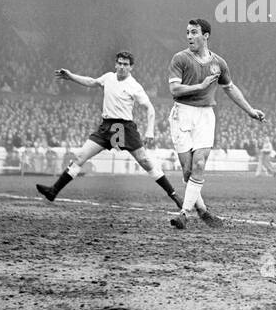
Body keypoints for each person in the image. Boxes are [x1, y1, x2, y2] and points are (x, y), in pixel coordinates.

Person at [34, 52, 182, 209]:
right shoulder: (108, 77)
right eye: (120, 63)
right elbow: (91, 82)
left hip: (125, 128)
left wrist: (149, 131)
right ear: (116, 64)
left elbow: (150, 108)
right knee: (80, 157)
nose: (122, 67)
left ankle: (174, 195)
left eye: (126, 64)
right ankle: (53, 191)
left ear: (131, 67)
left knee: (145, 161)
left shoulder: (134, 86)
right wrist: (70, 76)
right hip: (106, 127)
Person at [167, 18, 265, 228]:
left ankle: (184, 213)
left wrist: (250, 111)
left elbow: (229, 87)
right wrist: (200, 86)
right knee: (187, 170)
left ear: (206, 36)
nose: (189, 36)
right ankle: (202, 211)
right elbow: (175, 90)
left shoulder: (218, 63)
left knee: (200, 164)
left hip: (205, 115)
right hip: (182, 114)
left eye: (194, 32)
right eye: (187, 32)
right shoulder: (180, 58)